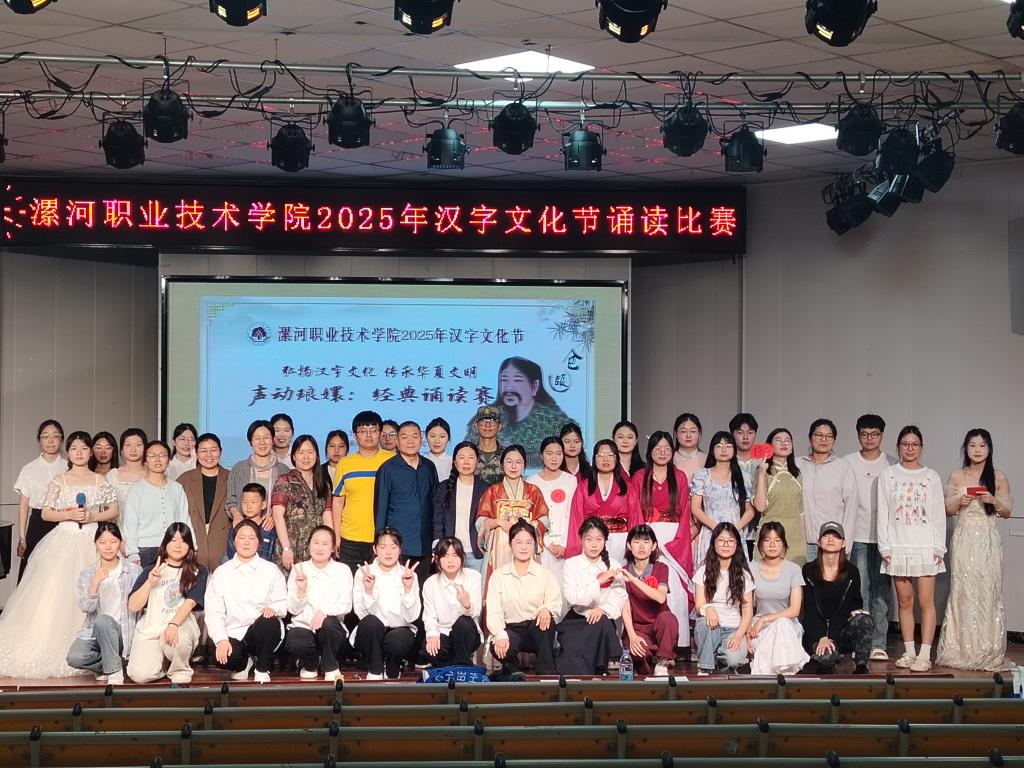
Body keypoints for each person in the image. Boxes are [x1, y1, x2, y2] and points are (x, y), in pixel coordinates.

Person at [0, 431, 119, 679]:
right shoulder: (59, 480)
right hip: (63, 539)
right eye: (74, 448)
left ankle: (94, 651)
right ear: (69, 452)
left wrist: (93, 516)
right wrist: (68, 514)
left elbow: (114, 510)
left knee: (95, 593)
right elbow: (46, 512)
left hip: (92, 538)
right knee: (55, 593)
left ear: (90, 452)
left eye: (83, 448)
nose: (79, 453)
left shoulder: (100, 480)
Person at [936, 428, 1014, 672]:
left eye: (982, 445)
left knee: (989, 591)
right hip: (964, 539)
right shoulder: (957, 475)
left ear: (989, 449)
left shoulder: (998, 476)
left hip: (988, 541)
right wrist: (959, 501)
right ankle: (961, 648)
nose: (977, 450)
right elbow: (947, 510)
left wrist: (993, 500)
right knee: (963, 591)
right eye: (972, 445)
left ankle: (988, 648)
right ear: (965, 448)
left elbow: (1007, 511)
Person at [877, 425, 946, 672]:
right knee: (905, 601)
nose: (910, 448)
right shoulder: (888, 475)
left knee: (926, 601)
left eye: (914, 444)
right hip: (898, 545)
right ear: (898, 447)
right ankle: (908, 652)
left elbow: (938, 514)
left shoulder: (931, 476)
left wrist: (938, 547)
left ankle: (925, 654)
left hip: (925, 546)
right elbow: (883, 512)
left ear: (921, 447)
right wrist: (885, 546)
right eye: (905, 444)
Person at [630, 431, 694, 647]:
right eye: (658, 449)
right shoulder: (640, 477)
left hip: (673, 538)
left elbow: (685, 513)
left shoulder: (680, 477)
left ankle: (677, 642)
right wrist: (644, 540)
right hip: (647, 533)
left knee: (673, 587)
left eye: (667, 448)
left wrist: (675, 544)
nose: (662, 452)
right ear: (650, 452)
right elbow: (635, 511)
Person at [206, 519, 288, 684]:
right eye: (242, 538)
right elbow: (214, 612)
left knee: (268, 623)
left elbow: (283, 601)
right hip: (234, 631)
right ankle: (243, 663)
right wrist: (221, 640)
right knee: (222, 657)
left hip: (261, 630)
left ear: (259, 542)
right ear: (234, 541)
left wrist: (273, 608)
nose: (246, 542)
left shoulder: (270, 570)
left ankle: (262, 667)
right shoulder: (222, 573)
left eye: (251, 538)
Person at [126, 523, 208, 686]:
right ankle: (164, 663)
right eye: (173, 540)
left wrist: (173, 624)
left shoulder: (198, 570)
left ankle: (180, 668)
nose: (178, 545)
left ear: (190, 545)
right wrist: (150, 582)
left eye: (183, 541)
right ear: (165, 543)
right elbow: (133, 606)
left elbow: (190, 602)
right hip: (152, 627)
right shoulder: (151, 569)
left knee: (177, 643)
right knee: (140, 675)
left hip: (180, 625)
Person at [843, 414, 896, 661]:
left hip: (885, 538)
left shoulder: (892, 464)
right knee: (860, 590)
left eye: (874, 434)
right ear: (858, 436)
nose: (869, 438)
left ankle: (878, 643)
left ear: (882, 436)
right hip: (858, 535)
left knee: (882, 590)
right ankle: (860, 641)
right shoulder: (847, 463)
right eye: (864, 434)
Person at [485, 520, 563, 681]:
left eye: (528, 542)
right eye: (519, 542)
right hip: (510, 629)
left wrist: (546, 608)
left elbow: (556, 603)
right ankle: (511, 669)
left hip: (535, 629)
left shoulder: (544, 574)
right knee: (498, 643)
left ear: (535, 545)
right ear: (510, 544)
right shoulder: (499, 576)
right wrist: (500, 634)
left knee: (547, 621)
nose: (523, 547)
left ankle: (546, 672)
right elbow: (493, 610)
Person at [66, 522, 143, 685]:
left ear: (120, 543)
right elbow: (86, 607)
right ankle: (112, 665)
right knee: (75, 657)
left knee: (103, 620)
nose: (108, 547)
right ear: (96, 544)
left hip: (123, 632)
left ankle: (114, 672)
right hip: (95, 632)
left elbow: (140, 607)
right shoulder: (88, 573)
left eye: (113, 542)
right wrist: (94, 584)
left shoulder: (134, 571)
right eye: (102, 542)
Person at [465, 357, 571, 467]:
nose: (509, 387)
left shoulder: (553, 419)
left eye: (517, 380)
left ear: (534, 386)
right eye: (504, 380)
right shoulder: (488, 419)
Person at [801, 522, 873, 674]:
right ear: (819, 541)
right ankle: (823, 660)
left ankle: (861, 667)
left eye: (836, 536)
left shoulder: (851, 571)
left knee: (865, 620)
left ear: (843, 543)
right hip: (816, 635)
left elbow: (856, 601)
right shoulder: (808, 570)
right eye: (826, 535)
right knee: (826, 659)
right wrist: (821, 636)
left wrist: (856, 611)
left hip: (840, 632)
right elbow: (809, 610)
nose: (830, 539)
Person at [558, 517, 627, 675]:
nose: (594, 545)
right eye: (589, 539)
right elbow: (572, 597)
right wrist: (599, 582)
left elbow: (620, 597)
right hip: (578, 618)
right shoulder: (571, 564)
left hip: (602, 619)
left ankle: (602, 670)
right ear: (581, 540)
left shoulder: (613, 565)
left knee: (602, 623)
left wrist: (602, 609)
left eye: (599, 539)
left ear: (605, 540)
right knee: (572, 655)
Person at [285, 526, 353, 682]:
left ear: (333, 548)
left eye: (325, 543)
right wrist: (301, 590)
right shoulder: (299, 569)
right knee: (296, 642)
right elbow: (293, 609)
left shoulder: (342, 570)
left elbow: (346, 605)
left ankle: (330, 665)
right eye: (316, 543)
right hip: (304, 626)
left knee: (328, 624)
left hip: (332, 630)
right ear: (309, 546)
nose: (320, 548)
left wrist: (324, 613)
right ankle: (312, 663)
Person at [352, 527, 421, 680]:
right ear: (375, 549)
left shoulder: (409, 574)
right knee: (370, 623)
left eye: (393, 547)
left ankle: (392, 664)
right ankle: (375, 669)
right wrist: (368, 591)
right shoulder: (364, 573)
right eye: (383, 547)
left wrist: (408, 589)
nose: (388, 552)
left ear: (400, 550)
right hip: (372, 631)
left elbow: (412, 617)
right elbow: (362, 615)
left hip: (399, 630)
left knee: (398, 641)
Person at [374, 421, 439, 580]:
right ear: (397, 441)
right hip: (398, 545)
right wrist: (381, 543)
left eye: (415, 436)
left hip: (425, 544)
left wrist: (436, 541)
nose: (410, 441)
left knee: (422, 589)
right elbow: (380, 509)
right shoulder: (387, 469)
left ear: (421, 440)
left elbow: (436, 505)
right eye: (404, 437)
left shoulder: (429, 467)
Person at [477, 444, 550, 585]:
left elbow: (544, 521)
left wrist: (527, 524)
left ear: (524, 465)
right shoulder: (493, 491)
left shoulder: (533, 491)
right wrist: (499, 522)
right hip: (499, 547)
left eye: (518, 462)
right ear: (502, 465)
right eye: (509, 462)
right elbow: (481, 521)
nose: (514, 466)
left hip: (525, 544)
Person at [331, 410, 394, 570]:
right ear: (354, 435)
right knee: (351, 582)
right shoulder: (345, 463)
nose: (368, 435)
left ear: (380, 433)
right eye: (363, 431)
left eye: (373, 430)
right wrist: (336, 536)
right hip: (351, 537)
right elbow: (338, 502)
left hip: (384, 537)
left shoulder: (392, 460)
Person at [747, 522, 808, 676]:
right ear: (760, 544)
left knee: (782, 624)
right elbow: (746, 607)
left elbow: (795, 610)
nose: (772, 545)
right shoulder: (751, 568)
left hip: (788, 625)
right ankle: (780, 680)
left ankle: (776, 679)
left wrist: (765, 619)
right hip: (759, 628)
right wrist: (748, 633)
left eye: (777, 540)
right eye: (767, 540)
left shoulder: (793, 569)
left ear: (783, 544)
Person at [565, 439, 643, 559]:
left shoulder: (627, 487)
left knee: (619, 570)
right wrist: (576, 549)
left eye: (610, 455)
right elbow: (576, 520)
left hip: (620, 543)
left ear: (616, 459)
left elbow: (635, 518)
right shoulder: (583, 486)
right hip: (591, 541)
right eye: (600, 455)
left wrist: (637, 547)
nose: (605, 459)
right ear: (594, 459)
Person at [693, 522, 753, 675]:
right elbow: (699, 606)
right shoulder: (703, 571)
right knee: (705, 624)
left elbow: (747, 612)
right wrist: (708, 608)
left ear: (737, 545)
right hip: (711, 626)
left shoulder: (744, 575)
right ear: (714, 544)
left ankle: (719, 661)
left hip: (733, 628)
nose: (726, 545)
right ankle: (705, 669)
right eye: (721, 540)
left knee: (733, 660)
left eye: (730, 541)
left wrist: (738, 636)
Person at [620, 524, 679, 677]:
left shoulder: (661, 568)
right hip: (638, 628)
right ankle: (649, 662)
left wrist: (633, 580)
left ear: (653, 546)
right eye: (637, 541)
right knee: (638, 653)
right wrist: (632, 635)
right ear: (629, 545)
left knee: (668, 619)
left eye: (646, 542)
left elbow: (660, 597)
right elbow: (624, 607)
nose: (641, 546)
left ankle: (663, 661)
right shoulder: (624, 571)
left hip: (659, 624)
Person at [123, 440, 192, 568]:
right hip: (145, 550)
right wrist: (132, 553)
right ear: (145, 460)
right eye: (152, 456)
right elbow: (130, 524)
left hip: (173, 548)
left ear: (169, 459)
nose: (157, 459)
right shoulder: (137, 489)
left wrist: (192, 546)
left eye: (162, 455)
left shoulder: (177, 488)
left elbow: (185, 520)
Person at [690, 431, 754, 567]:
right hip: (710, 532)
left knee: (736, 573)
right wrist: (716, 528)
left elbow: (750, 510)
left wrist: (735, 529)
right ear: (712, 451)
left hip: (735, 532)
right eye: (719, 446)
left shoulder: (744, 476)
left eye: (728, 446)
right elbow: (695, 507)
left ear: (734, 450)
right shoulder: (702, 475)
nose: (724, 450)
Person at [796, 419, 857, 560]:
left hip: (832, 542)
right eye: (819, 435)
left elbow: (851, 508)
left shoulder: (843, 467)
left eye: (829, 436)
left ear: (834, 440)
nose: (824, 439)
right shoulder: (797, 464)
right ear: (810, 437)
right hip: (802, 542)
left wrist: (845, 544)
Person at [271, 435, 333, 570]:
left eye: (310, 452)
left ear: (317, 456)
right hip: (292, 547)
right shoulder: (285, 481)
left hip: (317, 548)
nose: (306, 457)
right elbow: (277, 515)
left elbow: (327, 515)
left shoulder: (323, 484)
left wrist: (330, 545)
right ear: (294, 456)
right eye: (301, 452)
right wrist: (286, 548)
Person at [14, 418, 65, 581]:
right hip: (38, 523)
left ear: (61, 439)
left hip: (63, 522)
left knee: (60, 572)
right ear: (39, 440)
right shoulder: (29, 469)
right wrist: (22, 537)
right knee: (32, 574)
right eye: (45, 436)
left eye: (55, 436)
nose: (50, 441)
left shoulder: (69, 467)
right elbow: (24, 505)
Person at [422, 537, 483, 668]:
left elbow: (476, 612)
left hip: (467, 633)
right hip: (443, 632)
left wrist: (466, 605)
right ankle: (455, 665)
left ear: (462, 557)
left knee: (462, 623)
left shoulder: (473, 577)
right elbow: (429, 616)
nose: (450, 560)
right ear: (437, 559)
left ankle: (461, 666)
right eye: (445, 556)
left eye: (455, 555)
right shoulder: (430, 583)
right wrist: (432, 635)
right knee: (430, 649)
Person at [527, 436, 578, 584]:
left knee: (565, 586)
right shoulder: (531, 482)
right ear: (541, 456)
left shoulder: (570, 480)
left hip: (566, 545)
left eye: (558, 453)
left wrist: (564, 543)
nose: (554, 458)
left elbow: (571, 514)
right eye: (549, 453)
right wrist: (548, 543)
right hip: (541, 545)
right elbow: (532, 517)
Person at [177, 432, 231, 572]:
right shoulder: (184, 480)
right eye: (203, 451)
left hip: (222, 542)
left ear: (220, 452)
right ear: (196, 453)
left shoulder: (231, 478)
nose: (209, 455)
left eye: (213, 450)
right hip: (193, 539)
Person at [752, 428, 806, 565]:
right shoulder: (762, 471)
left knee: (795, 575)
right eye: (778, 440)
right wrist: (762, 473)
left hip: (795, 538)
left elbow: (801, 511)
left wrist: (802, 537)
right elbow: (760, 507)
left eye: (788, 441)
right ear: (769, 446)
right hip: (771, 536)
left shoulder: (797, 474)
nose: (784, 443)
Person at [433, 441, 489, 573]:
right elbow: (437, 520)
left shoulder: (486, 489)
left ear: (477, 461)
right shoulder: (444, 488)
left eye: (471, 457)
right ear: (454, 462)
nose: (466, 462)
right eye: (461, 457)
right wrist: (437, 547)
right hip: (450, 553)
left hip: (477, 553)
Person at [226, 419, 287, 526]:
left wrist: (275, 516)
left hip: (275, 529)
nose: (262, 442)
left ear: (273, 440)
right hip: (244, 529)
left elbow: (289, 503)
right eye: (257, 438)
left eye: (266, 438)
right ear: (251, 442)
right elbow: (231, 500)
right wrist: (236, 514)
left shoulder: (283, 470)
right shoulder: (239, 469)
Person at [730, 413, 763, 558]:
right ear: (732, 434)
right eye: (740, 432)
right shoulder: (726, 462)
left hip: (759, 530)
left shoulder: (763, 462)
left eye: (750, 433)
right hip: (734, 528)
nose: (745, 437)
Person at [106, 428, 149, 516]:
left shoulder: (153, 473)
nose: (133, 450)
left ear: (145, 448)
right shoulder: (112, 475)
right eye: (128, 445)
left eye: (138, 445)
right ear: (122, 449)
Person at [227, 484, 276, 561]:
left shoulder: (268, 527)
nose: (248, 506)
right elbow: (231, 554)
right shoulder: (236, 527)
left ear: (263, 504)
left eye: (253, 502)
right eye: (245, 502)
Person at [470, 405, 504, 486]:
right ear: (476, 425)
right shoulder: (469, 454)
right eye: (483, 421)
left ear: (499, 426)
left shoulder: (507, 456)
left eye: (492, 421)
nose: (487, 425)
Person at [672, 413, 706, 483]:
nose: (688, 435)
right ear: (676, 434)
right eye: (683, 431)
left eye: (693, 431)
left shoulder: (707, 459)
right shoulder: (668, 458)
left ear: (699, 434)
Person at [424, 417, 453, 482]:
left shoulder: (454, 463)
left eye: (442, 436)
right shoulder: (420, 462)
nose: (437, 441)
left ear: (449, 439)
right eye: (432, 436)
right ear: (426, 438)